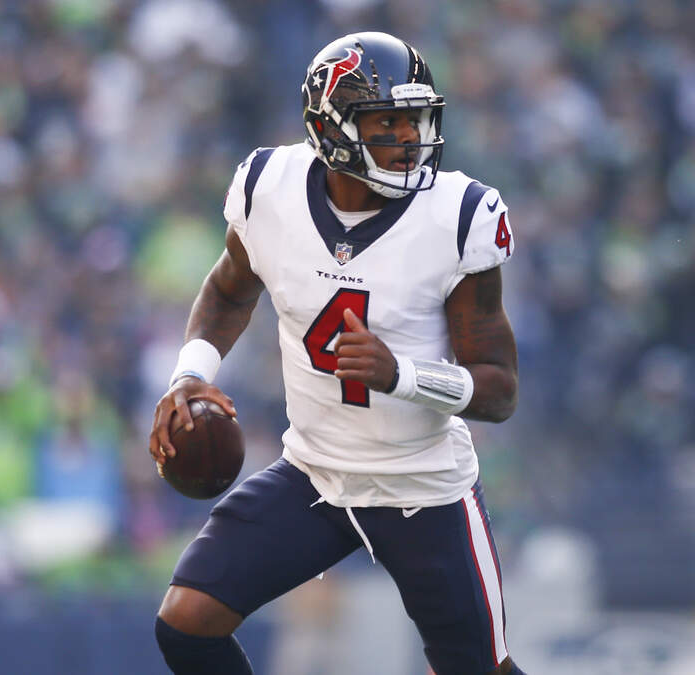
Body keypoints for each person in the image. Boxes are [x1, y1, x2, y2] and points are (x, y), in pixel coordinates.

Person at [147, 32, 526, 675]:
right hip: (314, 474)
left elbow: (500, 389)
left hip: (421, 486)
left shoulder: (458, 215)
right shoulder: (269, 186)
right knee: (186, 624)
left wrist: (401, 376)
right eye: (386, 123)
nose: (408, 138)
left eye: (414, 120)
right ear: (330, 129)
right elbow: (229, 289)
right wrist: (190, 374)